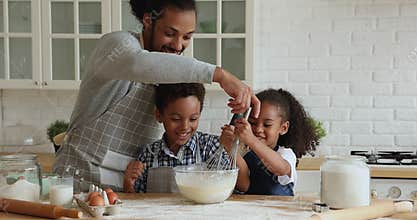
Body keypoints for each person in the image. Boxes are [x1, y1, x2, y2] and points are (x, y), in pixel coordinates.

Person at [52, 0, 260, 191]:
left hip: (126, 191)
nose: (178, 46)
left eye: (187, 37)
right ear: (148, 20)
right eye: (170, 33)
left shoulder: (170, 67)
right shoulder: (118, 44)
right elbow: (139, 63)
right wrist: (221, 75)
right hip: (79, 182)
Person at [123, 83, 230, 193]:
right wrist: (128, 183)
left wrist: (230, 147)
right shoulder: (148, 154)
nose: (185, 127)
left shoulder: (210, 147)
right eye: (176, 119)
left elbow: (240, 187)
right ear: (159, 115)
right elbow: (138, 203)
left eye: (193, 119)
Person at [221, 88, 319, 196]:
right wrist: (231, 148)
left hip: (280, 210)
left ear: (283, 128)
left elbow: (280, 169)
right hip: (253, 208)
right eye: (253, 123)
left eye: (267, 125)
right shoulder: (246, 153)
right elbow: (244, 185)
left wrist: (251, 140)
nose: (258, 129)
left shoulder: (286, 154)